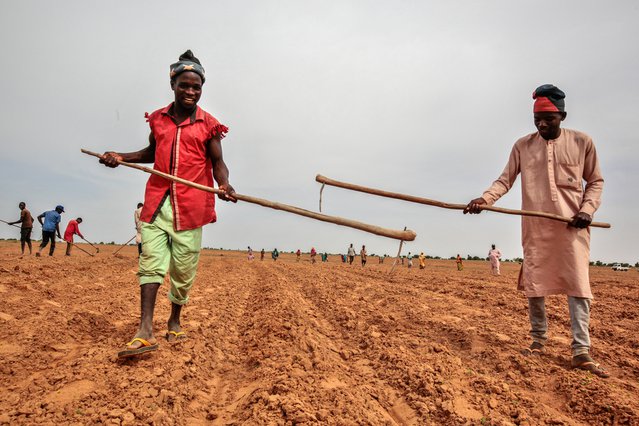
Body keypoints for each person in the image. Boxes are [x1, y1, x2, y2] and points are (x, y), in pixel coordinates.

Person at [464, 84, 607, 377]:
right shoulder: (522, 146)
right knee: (535, 285)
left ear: (562, 116)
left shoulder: (583, 142)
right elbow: (505, 180)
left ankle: (581, 351)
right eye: (537, 119)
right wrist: (485, 199)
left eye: (548, 119)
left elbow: (595, 181)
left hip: (572, 228)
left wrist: (586, 211)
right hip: (536, 227)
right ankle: (537, 341)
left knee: (578, 286)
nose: (542, 124)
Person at [100, 50, 236, 358]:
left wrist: (224, 184)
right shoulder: (159, 119)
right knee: (151, 263)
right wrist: (121, 157)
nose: (190, 92)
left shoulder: (208, 125)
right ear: (172, 83)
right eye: (184, 85)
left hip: (191, 206)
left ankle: (174, 319)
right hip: (157, 201)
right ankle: (145, 330)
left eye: (196, 87)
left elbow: (218, 163)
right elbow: (152, 151)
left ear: (202, 89)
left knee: (183, 272)